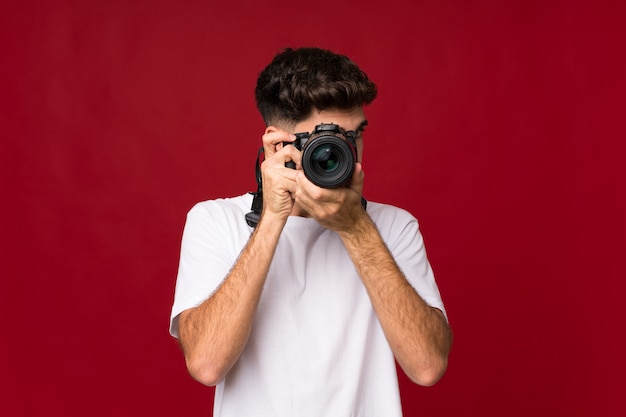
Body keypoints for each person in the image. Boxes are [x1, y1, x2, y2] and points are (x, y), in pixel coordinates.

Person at [169, 47, 451, 416]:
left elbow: (428, 367)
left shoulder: (394, 227)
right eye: (327, 141)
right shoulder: (215, 221)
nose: (347, 155)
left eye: (355, 137)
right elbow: (206, 365)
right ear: (277, 143)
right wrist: (272, 217)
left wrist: (355, 228)